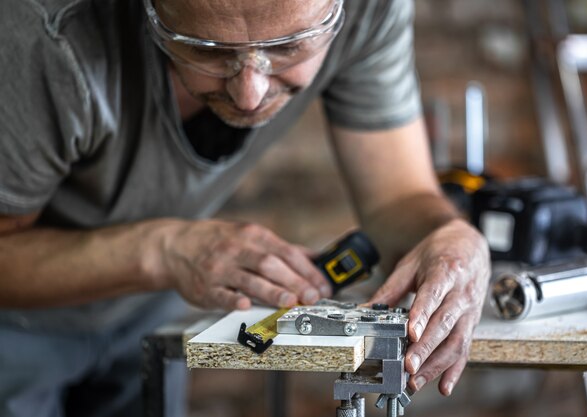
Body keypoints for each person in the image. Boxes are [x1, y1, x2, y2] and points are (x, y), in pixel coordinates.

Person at [0, 0, 490, 415]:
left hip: (149, 311)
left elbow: (399, 200)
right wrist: (167, 250)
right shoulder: (46, 39)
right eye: (206, 51)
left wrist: (449, 235)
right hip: (16, 323)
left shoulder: (369, 10)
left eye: (287, 47)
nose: (249, 94)